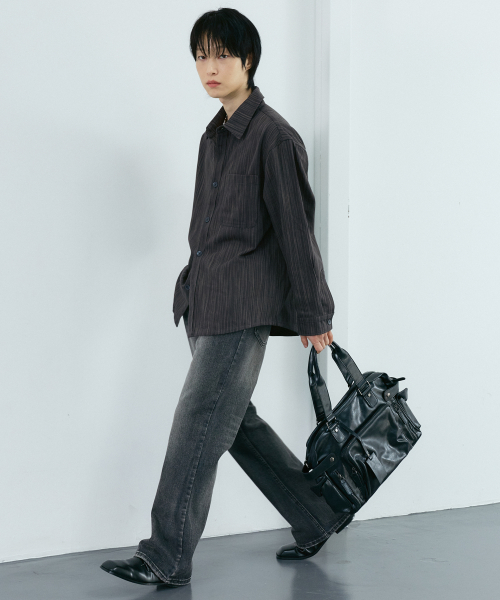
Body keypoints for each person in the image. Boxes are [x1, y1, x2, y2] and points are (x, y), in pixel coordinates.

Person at [100, 7, 349, 589]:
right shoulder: (213, 136)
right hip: (205, 303)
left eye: (222, 55)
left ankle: (165, 554)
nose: (210, 68)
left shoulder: (275, 138)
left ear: (249, 60)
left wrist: (315, 310)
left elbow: (296, 232)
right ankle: (316, 513)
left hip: (242, 309)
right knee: (233, 423)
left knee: (196, 425)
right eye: (201, 56)